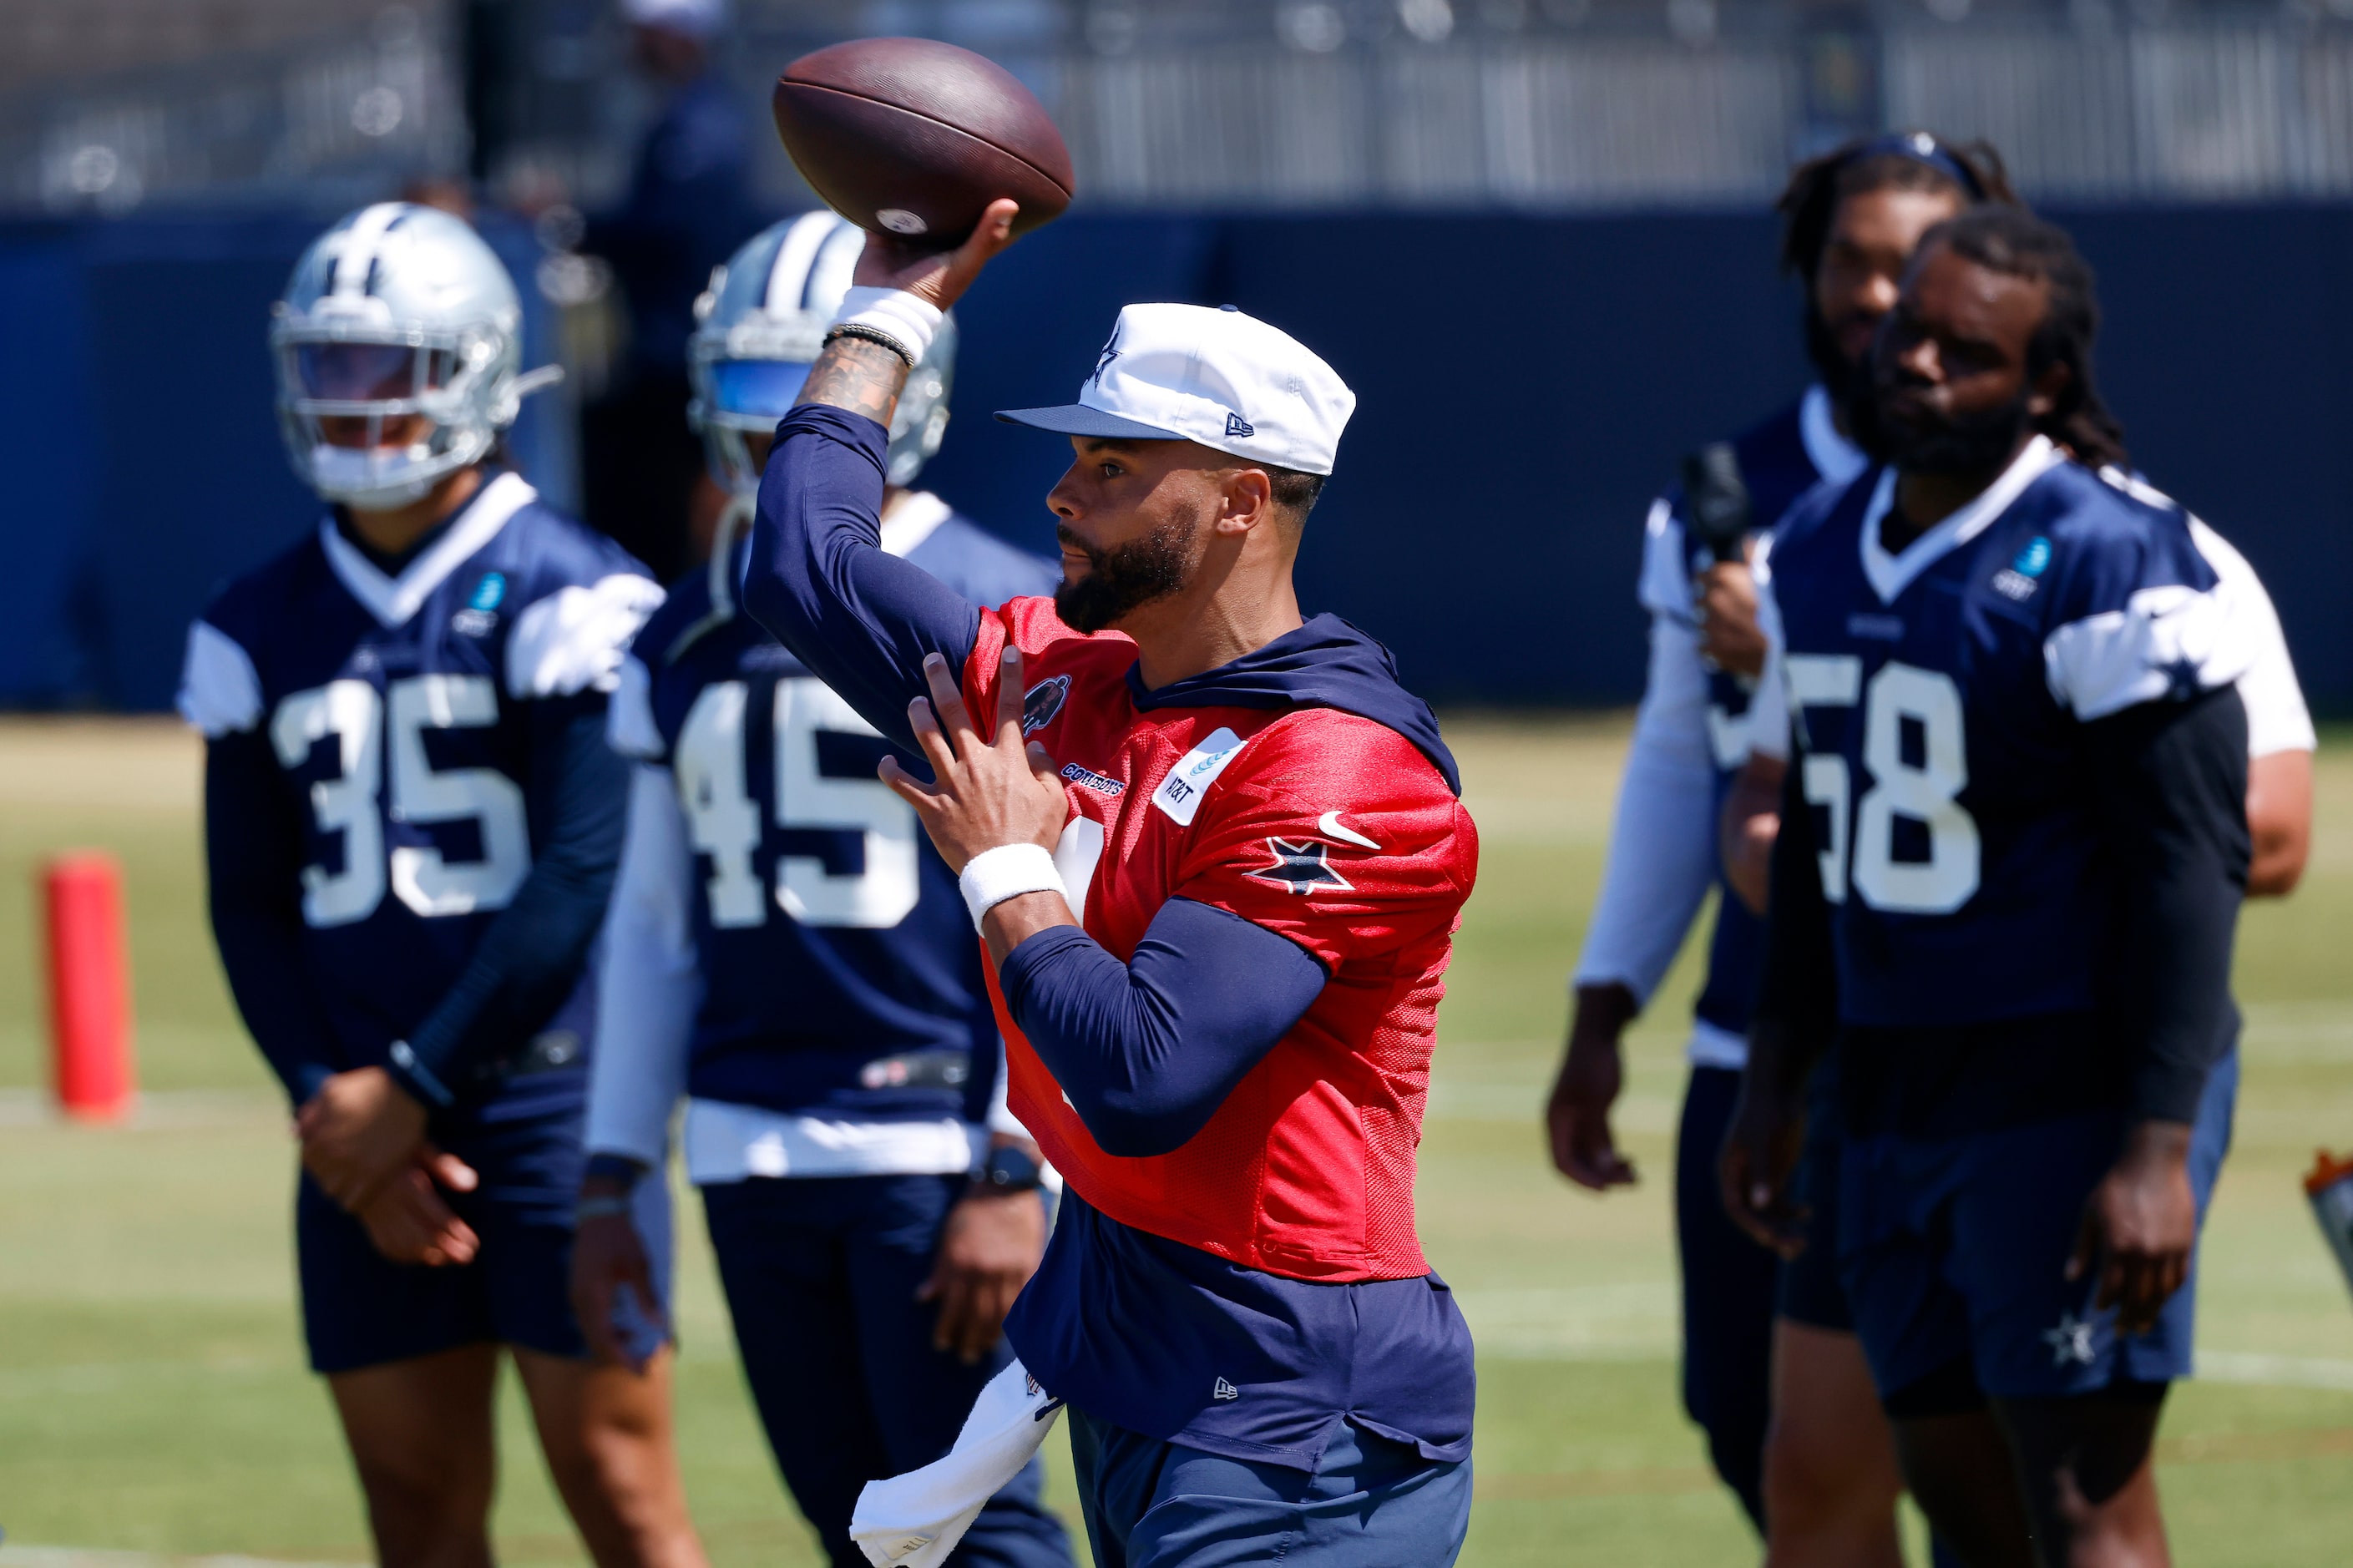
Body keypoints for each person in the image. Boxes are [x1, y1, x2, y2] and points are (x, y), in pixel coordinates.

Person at [741, 205, 1480, 1566]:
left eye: (1111, 463)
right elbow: (797, 562)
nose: (1059, 493)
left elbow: (1144, 1079)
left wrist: (1009, 871)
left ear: (1238, 502)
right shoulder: (1066, 677)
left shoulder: (1336, 766)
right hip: (1131, 1348)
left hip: (1293, 1402)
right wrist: (893, 306)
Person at [1723, 206, 2254, 1566]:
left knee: (2083, 1506)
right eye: (1909, 334)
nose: (1915, 367)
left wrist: (2151, 1147)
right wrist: (1777, 1069)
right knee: (1959, 1500)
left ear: (2042, 385)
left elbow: (2187, 864)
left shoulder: (2110, 556)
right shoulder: (1821, 547)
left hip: (2063, 1089)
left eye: (1964, 354)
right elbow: (1823, 845)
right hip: (1889, 1085)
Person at [176, 201, 705, 1568]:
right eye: (328, 366)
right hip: (358, 1122)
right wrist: (329, 1105)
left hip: (545, 1097)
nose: (351, 402)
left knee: (620, 1489)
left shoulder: (570, 590)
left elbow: (579, 873)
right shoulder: (256, 617)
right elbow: (247, 899)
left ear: (475, 366)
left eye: (385, 365)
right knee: (412, 1512)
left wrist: (404, 1089)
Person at [569, 210, 1075, 1568]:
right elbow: (656, 927)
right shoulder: (683, 624)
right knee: (850, 1528)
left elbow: (1064, 905)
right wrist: (616, 1165)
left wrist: (1014, 1158)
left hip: (932, 1141)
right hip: (750, 1132)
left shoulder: (999, 603)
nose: (770, 427)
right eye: (749, 387)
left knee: (979, 1525)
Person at [1542, 131, 2013, 1551]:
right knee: (1740, 1410)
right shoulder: (1719, 495)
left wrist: (1799, 640)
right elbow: (1679, 757)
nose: (1880, 298)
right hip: (1762, 1037)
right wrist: (1603, 998)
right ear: (1806, 275)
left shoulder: (2040, 501)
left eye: (1914, 264)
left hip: (1975, 1042)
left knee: (1984, 1442)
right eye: (1850, 261)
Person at [577, 0, 756, 581]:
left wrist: (576, 225)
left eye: (646, 34)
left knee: (665, 512)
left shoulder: (702, 124)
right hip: (667, 354)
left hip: (678, 358)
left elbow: (667, 229)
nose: (634, 48)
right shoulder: (687, 116)